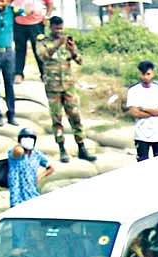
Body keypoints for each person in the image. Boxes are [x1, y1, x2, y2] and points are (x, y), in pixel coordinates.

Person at [35, 18, 94, 162]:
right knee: (57, 118)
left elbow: (79, 60)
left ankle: (82, 148)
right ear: (51, 27)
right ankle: (62, 149)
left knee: (75, 117)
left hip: (68, 86)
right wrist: (57, 44)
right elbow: (42, 56)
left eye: (61, 28)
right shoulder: (43, 41)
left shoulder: (66, 40)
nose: (59, 31)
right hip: (53, 87)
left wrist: (72, 49)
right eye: (56, 28)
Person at [126, 61, 158, 160]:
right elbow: (134, 112)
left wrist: (144, 109)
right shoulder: (133, 91)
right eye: (143, 74)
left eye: (148, 74)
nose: (146, 77)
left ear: (153, 74)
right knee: (142, 163)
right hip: (141, 134)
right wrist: (154, 112)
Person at [4, 127, 52, 206]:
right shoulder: (13, 153)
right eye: (25, 138)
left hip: (32, 192)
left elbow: (50, 167)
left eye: (31, 138)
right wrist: (20, 145)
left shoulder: (37, 155)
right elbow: (18, 151)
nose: (28, 140)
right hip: (17, 194)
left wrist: (39, 177)